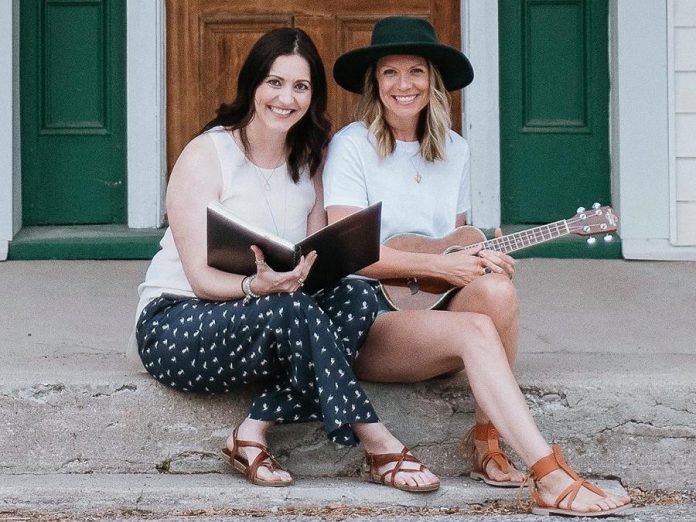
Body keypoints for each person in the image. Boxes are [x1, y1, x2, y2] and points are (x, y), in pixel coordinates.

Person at [324, 16, 631, 516]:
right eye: (391, 73)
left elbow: (452, 242)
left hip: (426, 311)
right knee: (474, 324)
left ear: (434, 82)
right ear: (374, 84)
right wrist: (448, 270)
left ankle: (485, 437)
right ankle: (549, 474)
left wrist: (477, 259)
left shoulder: (455, 151)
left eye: (417, 72)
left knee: (498, 289)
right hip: (369, 321)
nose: (404, 85)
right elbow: (346, 253)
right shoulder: (352, 146)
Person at [132, 27, 440, 491]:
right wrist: (258, 287)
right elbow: (198, 279)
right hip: (178, 323)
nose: (286, 98)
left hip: (273, 315)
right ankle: (376, 439)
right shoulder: (206, 154)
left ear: (311, 97)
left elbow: (317, 259)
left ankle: (252, 430)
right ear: (253, 85)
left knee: (356, 296)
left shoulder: (309, 160)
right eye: (274, 83)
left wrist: (318, 268)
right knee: (292, 306)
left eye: (301, 86)